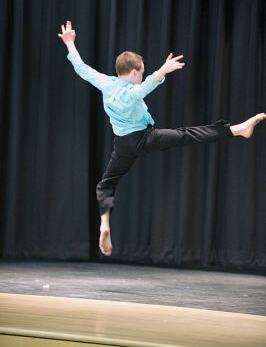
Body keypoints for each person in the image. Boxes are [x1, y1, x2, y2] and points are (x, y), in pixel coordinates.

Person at [58, 20, 266, 257]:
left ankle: (104, 223)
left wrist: (70, 44)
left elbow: (82, 68)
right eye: (142, 71)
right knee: (187, 135)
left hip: (122, 145)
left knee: (107, 183)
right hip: (145, 138)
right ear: (135, 72)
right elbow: (144, 87)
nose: (143, 74)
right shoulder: (132, 92)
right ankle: (237, 129)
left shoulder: (106, 83)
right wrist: (161, 71)